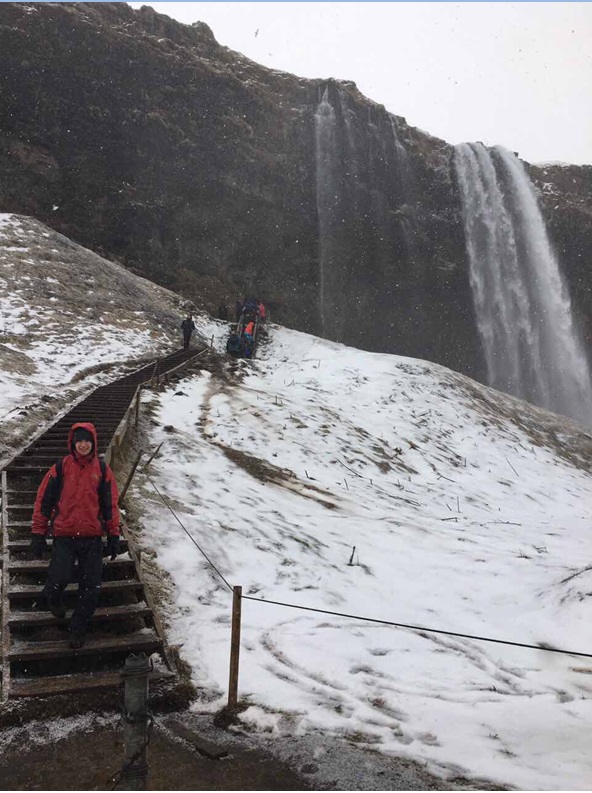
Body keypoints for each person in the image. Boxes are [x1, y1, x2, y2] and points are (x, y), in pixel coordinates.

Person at [30, 422, 120, 649]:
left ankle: (78, 628)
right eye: (79, 440)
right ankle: (52, 595)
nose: (83, 444)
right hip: (64, 535)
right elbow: (44, 502)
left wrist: (113, 534)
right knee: (60, 575)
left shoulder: (102, 470)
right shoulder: (60, 468)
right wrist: (38, 532)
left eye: (87, 440)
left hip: (91, 536)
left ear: (93, 443)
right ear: (72, 442)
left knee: (91, 587)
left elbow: (110, 505)